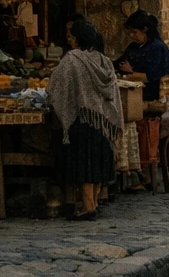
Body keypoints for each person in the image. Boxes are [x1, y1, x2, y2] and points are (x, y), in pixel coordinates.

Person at [48, 19, 122, 221]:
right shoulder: (104, 61)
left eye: (72, 37)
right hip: (101, 121)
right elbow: (112, 93)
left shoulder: (72, 60)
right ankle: (95, 202)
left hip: (81, 120)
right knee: (97, 162)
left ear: (77, 39)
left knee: (84, 165)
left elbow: (55, 88)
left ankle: (88, 208)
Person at [116, 10, 169, 102]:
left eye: (134, 32)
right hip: (135, 96)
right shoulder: (133, 46)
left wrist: (130, 73)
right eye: (130, 32)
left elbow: (152, 77)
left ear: (144, 30)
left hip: (154, 98)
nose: (131, 35)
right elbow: (121, 62)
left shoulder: (157, 48)